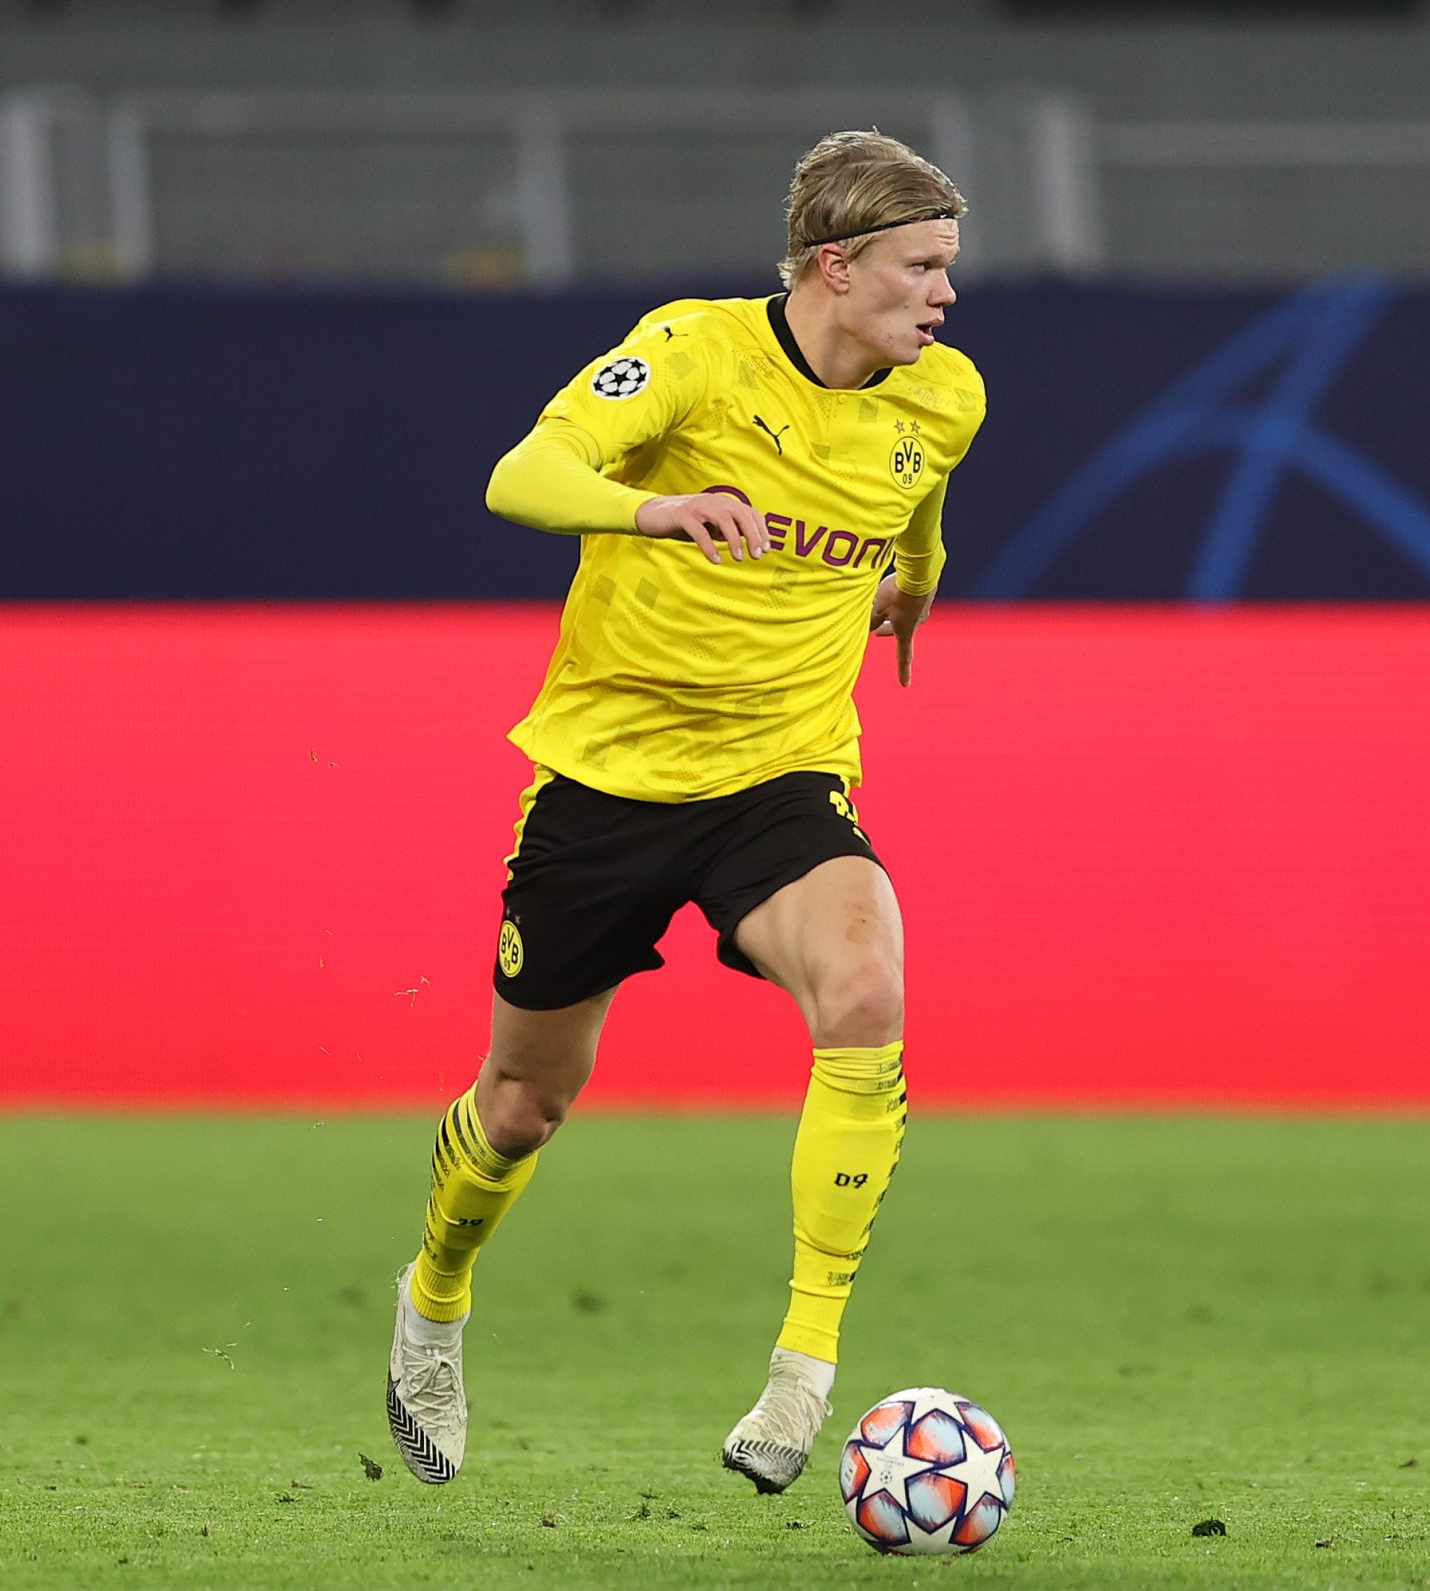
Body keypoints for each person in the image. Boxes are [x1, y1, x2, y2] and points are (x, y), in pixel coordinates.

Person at [384, 129, 985, 1495]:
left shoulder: (942, 397)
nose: (945, 294)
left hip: (779, 779)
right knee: (527, 1104)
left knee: (865, 985)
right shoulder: (696, 353)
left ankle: (802, 1374)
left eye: (950, 266)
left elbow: (919, 514)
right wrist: (650, 518)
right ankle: (434, 1297)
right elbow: (518, 475)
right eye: (923, 267)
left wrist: (918, 589)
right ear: (837, 267)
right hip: (607, 782)